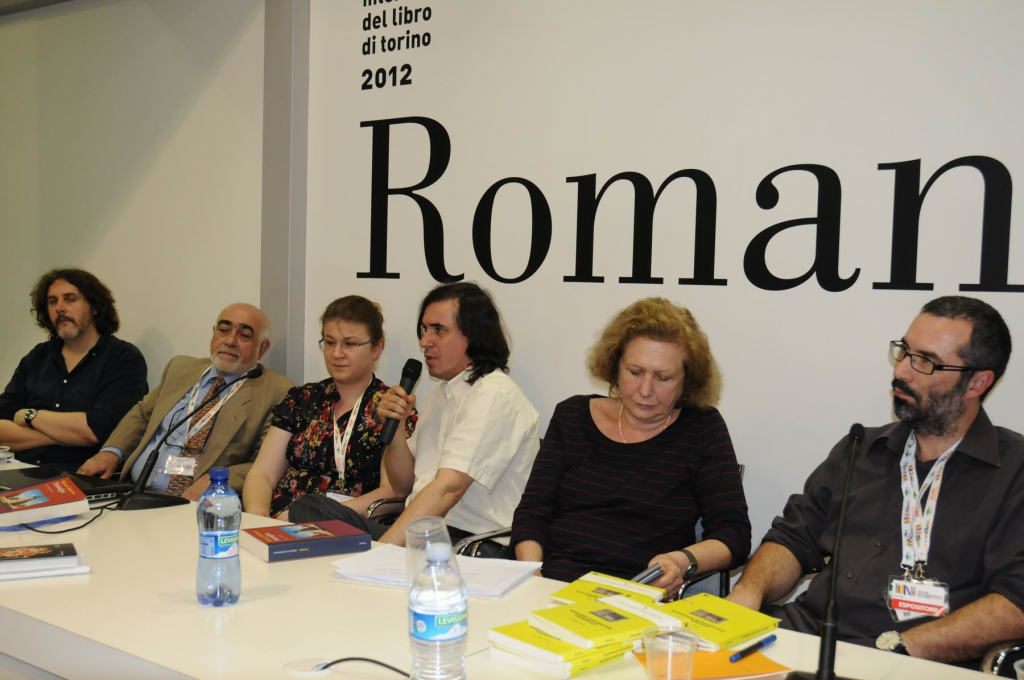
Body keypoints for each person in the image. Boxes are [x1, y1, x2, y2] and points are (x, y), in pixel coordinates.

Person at [727, 296, 1024, 666]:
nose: (902, 371)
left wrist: (895, 650)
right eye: (904, 351)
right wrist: (747, 594)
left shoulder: (1014, 471)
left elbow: (1016, 603)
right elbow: (794, 540)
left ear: (977, 382)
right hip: (807, 639)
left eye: (926, 361)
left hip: (914, 661)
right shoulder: (859, 448)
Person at [510, 298, 751, 596]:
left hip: (636, 594)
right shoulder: (572, 416)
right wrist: (534, 578)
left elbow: (734, 535)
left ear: (687, 380)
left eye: (663, 377)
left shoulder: (702, 429)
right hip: (551, 584)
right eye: (635, 372)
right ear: (615, 367)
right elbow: (532, 512)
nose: (646, 390)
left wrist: (681, 561)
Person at [288, 282, 541, 557]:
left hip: (471, 544)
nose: (424, 342)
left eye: (438, 330)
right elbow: (402, 486)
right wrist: (396, 430)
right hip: (423, 533)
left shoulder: (494, 395)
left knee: (340, 540)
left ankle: (375, 562)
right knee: (309, 508)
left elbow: (448, 491)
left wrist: (382, 554)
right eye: (424, 330)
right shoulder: (440, 394)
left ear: (474, 335)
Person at [77, 303, 292, 500]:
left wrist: (216, 480)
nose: (230, 341)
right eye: (223, 330)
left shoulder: (277, 392)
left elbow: (266, 463)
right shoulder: (181, 368)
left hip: (197, 505)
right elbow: (142, 414)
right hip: (133, 491)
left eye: (244, 335)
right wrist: (111, 453)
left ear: (262, 348)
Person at [242, 296, 416, 518]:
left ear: (377, 348)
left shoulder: (391, 407)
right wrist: (259, 516)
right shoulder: (301, 399)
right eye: (330, 342)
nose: (337, 354)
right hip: (280, 518)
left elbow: (392, 491)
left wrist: (318, 515)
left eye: (350, 344)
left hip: (347, 522)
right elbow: (262, 474)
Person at [0, 268, 148, 472]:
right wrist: (65, 436)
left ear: (95, 307)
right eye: (53, 301)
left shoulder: (123, 358)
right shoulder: (38, 356)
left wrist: (30, 416)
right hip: (21, 472)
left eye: (70, 299)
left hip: (82, 476)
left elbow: (96, 431)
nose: (59, 308)